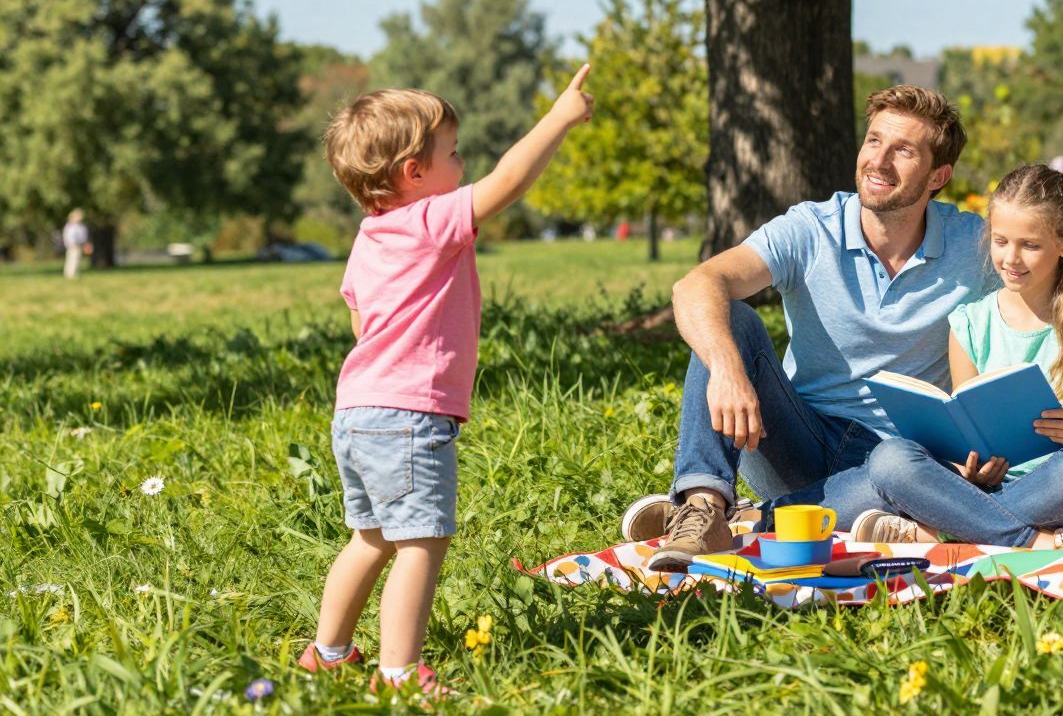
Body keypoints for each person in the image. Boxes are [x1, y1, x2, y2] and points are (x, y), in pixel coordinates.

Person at [299, 69, 594, 693]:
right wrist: (562, 116)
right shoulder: (428, 221)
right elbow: (509, 181)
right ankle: (399, 674)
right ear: (414, 173)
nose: (462, 162)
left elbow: (360, 318)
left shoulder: (368, 238)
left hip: (356, 411)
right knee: (421, 543)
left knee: (370, 537)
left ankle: (327, 653)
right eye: (452, 153)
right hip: (406, 416)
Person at [630, 86, 990, 573]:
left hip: (896, 458)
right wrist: (728, 370)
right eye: (873, 141)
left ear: (938, 176)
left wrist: (991, 442)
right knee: (730, 317)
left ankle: (748, 521)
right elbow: (696, 285)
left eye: (903, 150)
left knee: (899, 476)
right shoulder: (812, 228)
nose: (878, 161)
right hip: (794, 441)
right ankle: (703, 504)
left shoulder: (976, 246)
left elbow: (1058, 294)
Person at [852, 164, 1063, 548]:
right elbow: (969, 433)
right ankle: (1038, 542)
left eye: (1029, 245)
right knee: (889, 458)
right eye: (1001, 241)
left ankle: (938, 532)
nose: (1011, 259)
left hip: (1059, 482)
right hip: (984, 490)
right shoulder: (969, 323)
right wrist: (973, 468)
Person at [61, 210, 89, 279]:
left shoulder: (80, 226)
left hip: (79, 245)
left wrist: (84, 243)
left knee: (77, 260)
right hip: (72, 245)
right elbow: (68, 237)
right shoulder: (70, 226)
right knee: (71, 259)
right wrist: (70, 244)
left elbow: (83, 236)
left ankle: (74, 273)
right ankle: (69, 274)